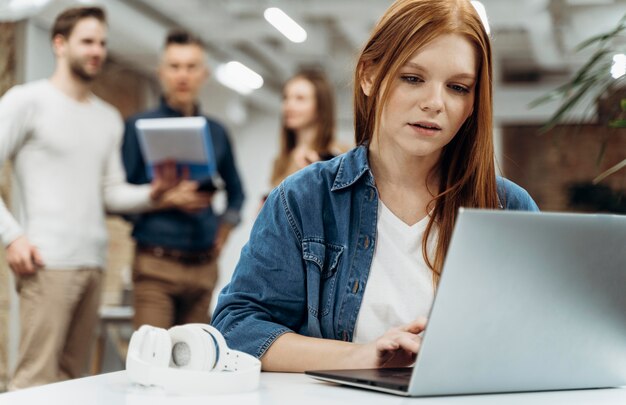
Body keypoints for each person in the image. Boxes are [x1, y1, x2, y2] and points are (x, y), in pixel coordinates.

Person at [212, 0, 539, 372]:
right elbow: (237, 327)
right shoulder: (303, 199)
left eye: (458, 87)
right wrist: (363, 356)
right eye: (413, 78)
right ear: (369, 75)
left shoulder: (507, 206)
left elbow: (545, 334)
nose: (435, 103)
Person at [0, 7, 194, 390]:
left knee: (75, 383)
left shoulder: (107, 118)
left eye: (102, 43)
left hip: (94, 263)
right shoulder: (26, 101)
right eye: (87, 41)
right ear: (60, 44)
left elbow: (111, 194)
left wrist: (155, 194)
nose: (97, 51)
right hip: (46, 262)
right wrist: (12, 236)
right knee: (34, 380)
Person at [122, 30, 245, 330]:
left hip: (203, 268)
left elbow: (237, 193)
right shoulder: (138, 126)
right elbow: (121, 201)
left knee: (193, 363)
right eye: (175, 66)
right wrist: (165, 198)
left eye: (191, 67)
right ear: (161, 72)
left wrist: (224, 229)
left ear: (203, 74)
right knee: (154, 362)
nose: (183, 75)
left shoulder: (217, 132)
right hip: (155, 265)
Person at [270, 69, 347, 188]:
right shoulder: (281, 160)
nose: (289, 105)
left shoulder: (339, 156)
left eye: (300, 98)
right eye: (285, 98)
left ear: (321, 106)